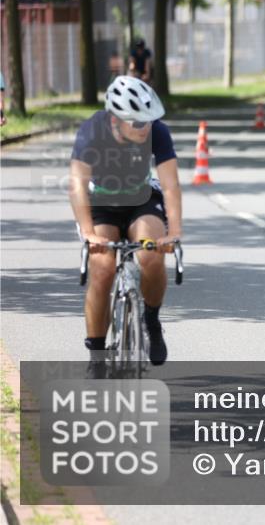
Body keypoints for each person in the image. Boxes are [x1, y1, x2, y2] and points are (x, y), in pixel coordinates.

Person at [69, 75, 182, 370]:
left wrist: (174, 232)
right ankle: (96, 356)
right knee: (102, 269)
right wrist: (89, 233)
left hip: (141, 199)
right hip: (101, 203)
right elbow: (77, 184)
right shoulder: (92, 130)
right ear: (116, 119)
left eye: (148, 121)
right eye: (137, 122)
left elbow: (170, 185)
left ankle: (152, 320)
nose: (145, 127)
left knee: (151, 255)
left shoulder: (157, 130)